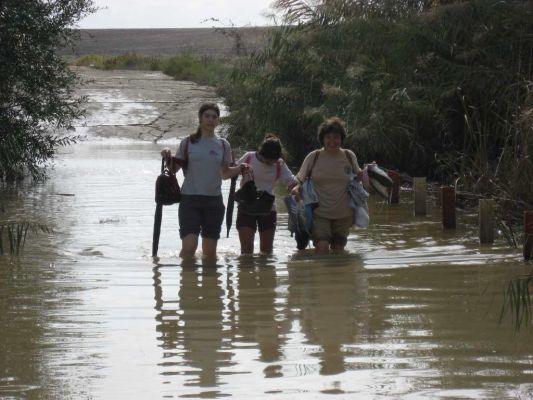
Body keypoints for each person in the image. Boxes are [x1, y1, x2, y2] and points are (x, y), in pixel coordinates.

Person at [160, 103, 248, 259]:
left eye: (214, 117)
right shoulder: (187, 142)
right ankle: (187, 282)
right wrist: (167, 156)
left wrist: (241, 167)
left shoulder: (223, 144)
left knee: (209, 253)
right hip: (189, 200)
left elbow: (225, 174)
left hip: (213, 202)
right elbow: (174, 170)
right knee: (189, 249)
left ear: (218, 121)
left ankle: (211, 282)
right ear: (200, 118)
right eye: (207, 116)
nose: (210, 120)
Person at [291, 117, 362, 254]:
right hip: (319, 213)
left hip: (344, 214)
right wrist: (296, 189)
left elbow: (358, 177)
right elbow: (299, 180)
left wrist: (366, 173)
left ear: (341, 139)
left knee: (338, 251)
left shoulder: (348, 155)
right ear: (322, 139)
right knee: (322, 248)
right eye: (328, 137)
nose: (332, 141)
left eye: (336, 137)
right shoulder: (314, 156)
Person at [235, 134, 296, 255]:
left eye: (271, 161)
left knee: (266, 253)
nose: (268, 163)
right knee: (246, 252)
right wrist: (235, 167)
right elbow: (231, 173)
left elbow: (291, 182)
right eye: (266, 160)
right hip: (246, 207)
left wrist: (297, 188)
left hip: (268, 209)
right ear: (260, 152)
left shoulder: (279, 164)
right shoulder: (248, 157)